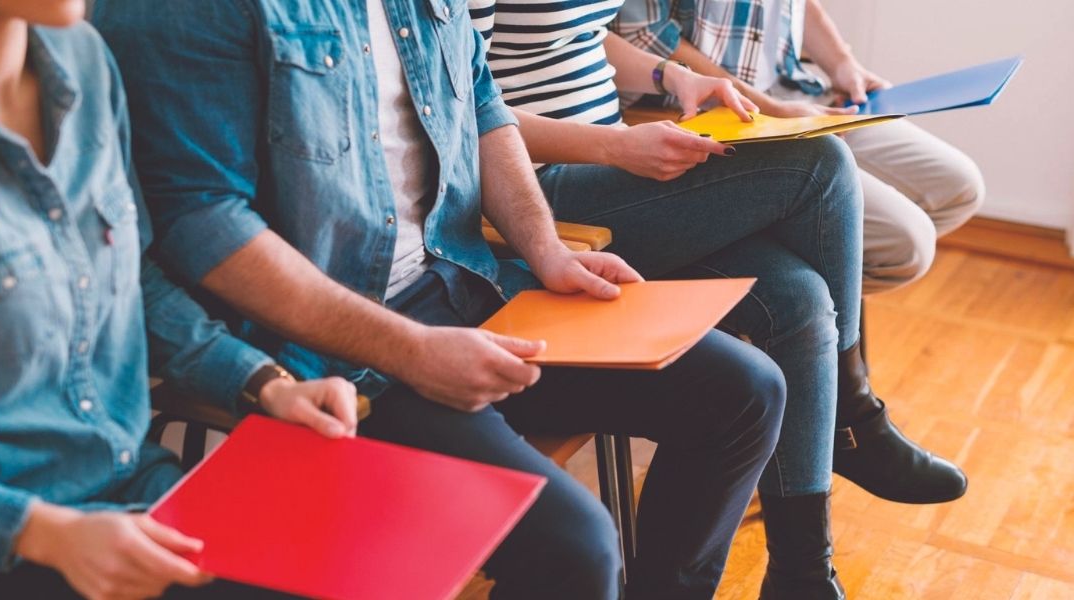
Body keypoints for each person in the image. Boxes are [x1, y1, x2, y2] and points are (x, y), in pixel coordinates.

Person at [92, 0, 787, 597]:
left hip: (462, 284)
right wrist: (411, 350)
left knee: (746, 392)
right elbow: (199, 220)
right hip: (333, 357)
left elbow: (480, 100)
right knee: (577, 547)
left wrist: (544, 248)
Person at [469, 1, 967, 596]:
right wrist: (613, 148)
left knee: (802, 301)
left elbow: (577, 35)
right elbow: (465, 108)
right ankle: (852, 418)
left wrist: (667, 76)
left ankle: (802, 574)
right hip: (539, 188)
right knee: (820, 164)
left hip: (608, 158)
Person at [0, 1, 362, 597]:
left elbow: (132, 278)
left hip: (133, 488)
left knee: (350, 556)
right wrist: (45, 533)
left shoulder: (85, 59)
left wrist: (265, 383)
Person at [614, 0, 986, 295]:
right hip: (700, 114)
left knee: (957, 186)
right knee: (904, 246)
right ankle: (787, 322)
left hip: (792, 92)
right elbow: (646, 35)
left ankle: (806, 317)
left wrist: (843, 64)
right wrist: (771, 111)